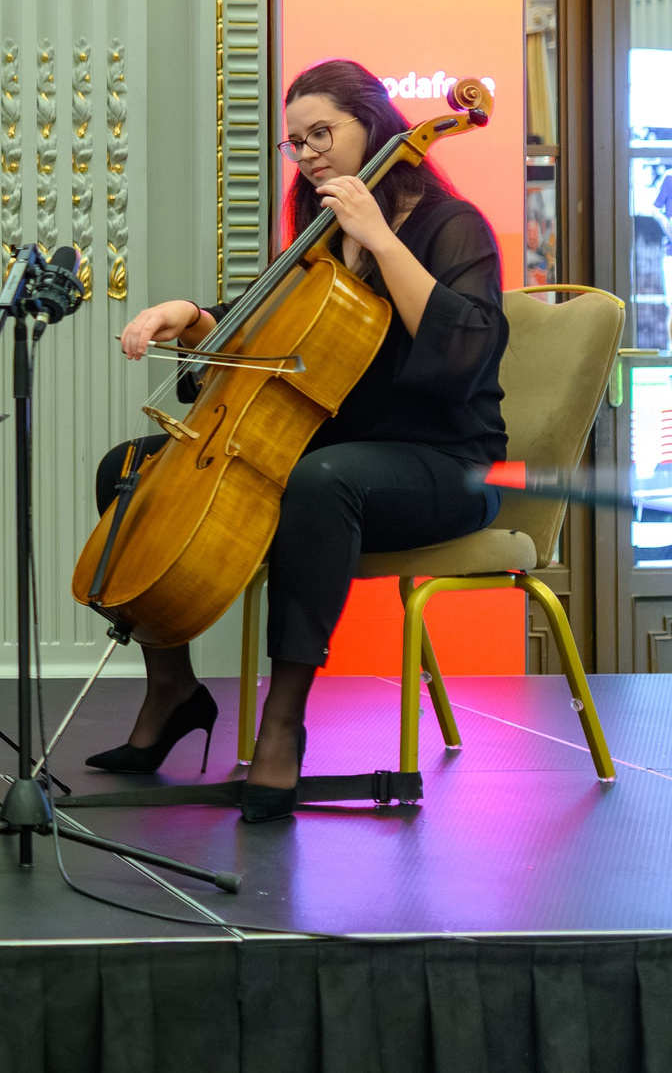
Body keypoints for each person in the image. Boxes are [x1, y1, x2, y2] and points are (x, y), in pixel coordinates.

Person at [93, 58, 507, 820]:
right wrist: (188, 313)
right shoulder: (320, 239)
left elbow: (465, 356)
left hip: (447, 465)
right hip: (345, 456)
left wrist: (381, 239)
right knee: (131, 468)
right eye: (296, 141)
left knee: (323, 484)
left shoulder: (452, 228)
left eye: (324, 132)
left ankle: (283, 722)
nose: (309, 152)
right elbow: (267, 334)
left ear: (374, 127)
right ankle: (172, 688)